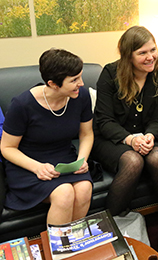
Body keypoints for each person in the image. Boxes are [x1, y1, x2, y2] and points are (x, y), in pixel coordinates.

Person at [91, 26, 158, 254]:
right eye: (142, 53)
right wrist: (130, 139)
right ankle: (109, 225)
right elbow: (104, 121)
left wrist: (150, 136)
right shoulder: (110, 74)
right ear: (128, 55)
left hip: (146, 137)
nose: (150, 57)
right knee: (133, 161)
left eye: (153, 50)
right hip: (112, 139)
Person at [0, 49, 93, 226]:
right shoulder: (22, 104)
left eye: (80, 77)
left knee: (84, 189)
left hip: (63, 158)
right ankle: (58, 252)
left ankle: (74, 246)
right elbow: (7, 148)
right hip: (28, 164)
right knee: (64, 193)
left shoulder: (81, 96)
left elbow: (87, 134)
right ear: (53, 84)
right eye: (74, 80)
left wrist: (82, 160)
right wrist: (37, 168)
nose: (81, 83)